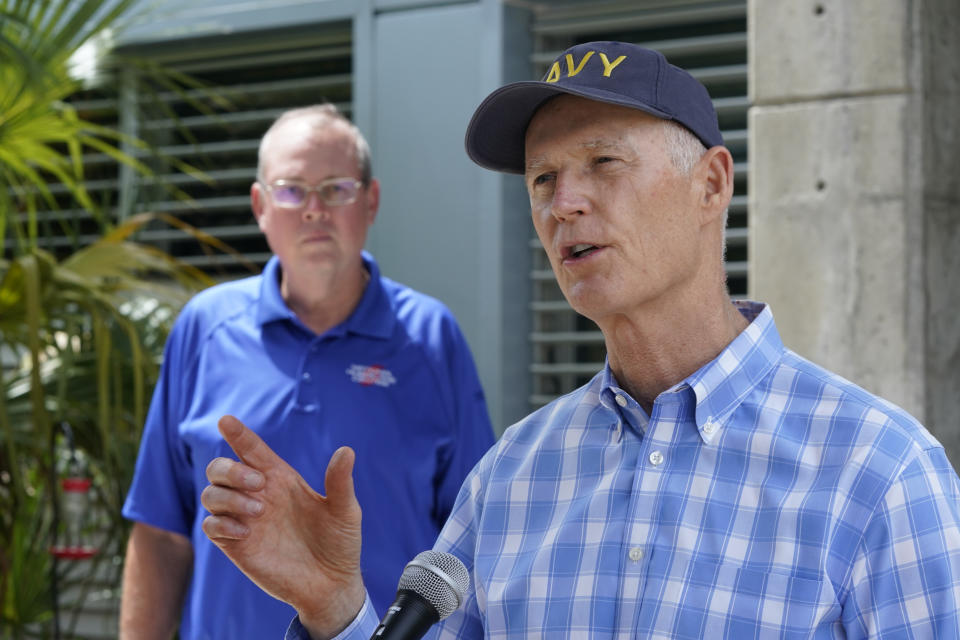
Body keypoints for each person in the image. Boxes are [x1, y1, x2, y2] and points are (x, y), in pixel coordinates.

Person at [199, 42, 960, 639]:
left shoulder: (879, 474)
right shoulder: (511, 478)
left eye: (603, 163)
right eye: (542, 180)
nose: (564, 203)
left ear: (712, 184)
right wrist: (335, 606)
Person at [119, 104, 494, 640]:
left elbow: (472, 542)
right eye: (292, 190)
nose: (314, 210)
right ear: (260, 206)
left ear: (371, 201)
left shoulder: (430, 337)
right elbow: (161, 532)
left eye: (336, 189)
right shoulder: (205, 327)